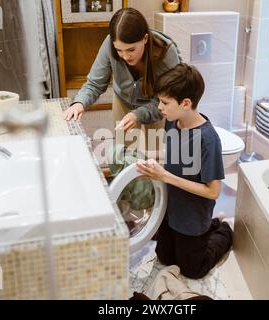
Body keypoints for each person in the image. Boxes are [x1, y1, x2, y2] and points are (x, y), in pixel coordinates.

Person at [136, 63, 233, 279]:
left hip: (192, 218)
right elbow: (172, 158)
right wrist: (148, 162)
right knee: (165, 257)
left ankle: (224, 230)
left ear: (186, 103)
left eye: (165, 102)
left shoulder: (208, 139)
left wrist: (165, 176)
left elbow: (213, 191)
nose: (159, 107)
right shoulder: (173, 122)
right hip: (172, 212)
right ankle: (212, 225)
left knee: (192, 270)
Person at [63, 8, 182, 150]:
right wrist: (79, 102)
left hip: (157, 104)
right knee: (123, 153)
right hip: (123, 100)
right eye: (119, 50)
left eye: (131, 50)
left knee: (155, 154)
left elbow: (170, 98)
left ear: (145, 38)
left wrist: (138, 114)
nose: (125, 57)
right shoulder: (109, 44)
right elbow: (95, 84)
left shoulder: (166, 53)